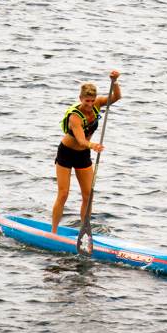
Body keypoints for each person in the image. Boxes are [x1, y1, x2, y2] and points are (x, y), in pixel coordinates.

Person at [51, 70, 122, 234]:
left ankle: (85, 230)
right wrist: (93, 145)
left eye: (92, 100)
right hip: (66, 153)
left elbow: (116, 97)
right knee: (63, 194)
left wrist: (115, 82)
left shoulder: (97, 104)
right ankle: (53, 232)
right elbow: (81, 140)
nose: (90, 104)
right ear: (80, 99)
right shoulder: (75, 117)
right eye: (86, 101)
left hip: (83, 155)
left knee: (88, 195)